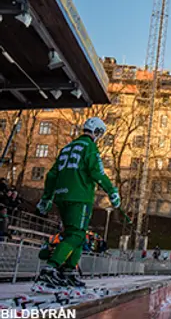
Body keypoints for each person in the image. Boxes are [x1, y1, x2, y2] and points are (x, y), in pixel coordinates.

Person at [34, 117, 120, 293]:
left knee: (77, 236)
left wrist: (46, 197)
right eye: (100, 134)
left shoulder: (67, 148)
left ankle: (69, 271)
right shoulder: (90, 148)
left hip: (61, 196)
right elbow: (97, 172)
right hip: (79, 197)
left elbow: (51, 175)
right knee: (76, 235)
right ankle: (50, 270)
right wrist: (112, 191)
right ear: (96, 132)